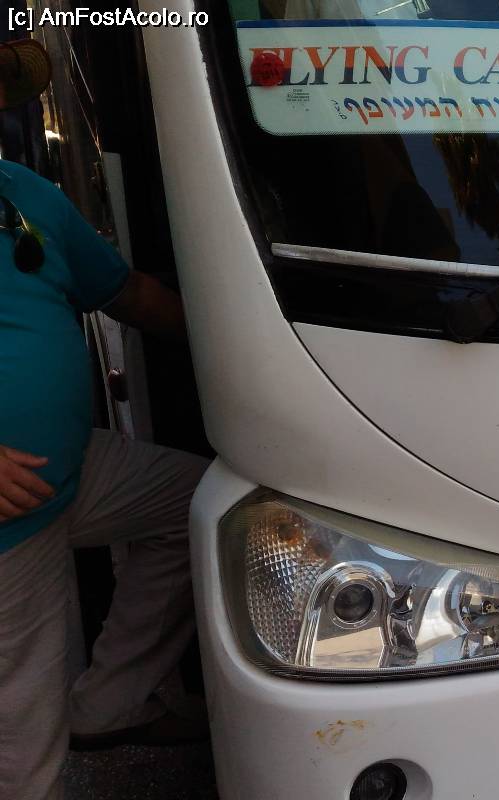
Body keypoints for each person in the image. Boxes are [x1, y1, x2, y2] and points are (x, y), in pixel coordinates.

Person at [0, 38, 210, 800]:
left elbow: (132, 297)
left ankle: (110, 705)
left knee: (201, 506)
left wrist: (253, 345)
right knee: (24, 748)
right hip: (11, 518)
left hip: (70, 475)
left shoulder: (25, 193)